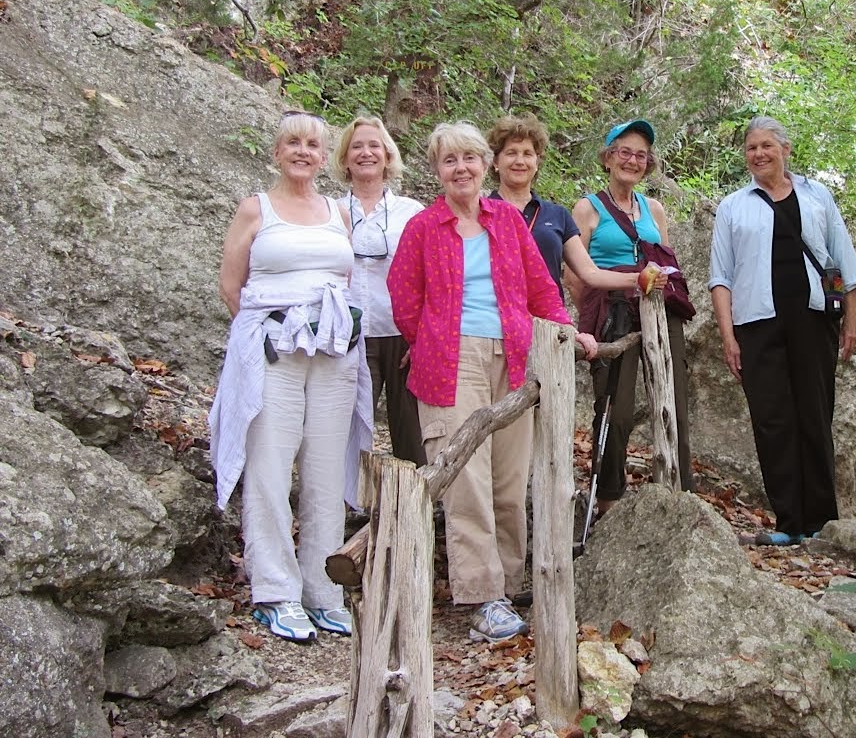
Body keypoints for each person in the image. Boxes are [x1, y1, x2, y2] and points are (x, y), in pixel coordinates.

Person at [387, 121, 599, 644]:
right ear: (436, 170)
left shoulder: (505, 219)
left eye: (469, 159)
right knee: (468, 480)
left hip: (516, 353)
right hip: (451, 359)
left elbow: (539, 287)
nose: (461, 169)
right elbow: (403, 295)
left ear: (485, 164)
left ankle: (508, 583)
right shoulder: (423, 226)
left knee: (508, 478)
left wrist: (567, 331)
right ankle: (482, 595)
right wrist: (435, 338)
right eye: (449, 161)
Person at [208, 110, 372, 642]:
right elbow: (232, 286)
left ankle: (322, 589)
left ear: (325, 157)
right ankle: (275, 591)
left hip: (333, 355)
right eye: (293, 143)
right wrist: (275, 328)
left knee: (325, 471)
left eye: (313, 145)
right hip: (274, 353)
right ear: (278, 152)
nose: (303, 151)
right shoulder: (256, 209)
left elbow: (343, 278)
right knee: (270, 467)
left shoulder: (336, 213)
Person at [708, 115, 856, 545]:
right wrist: (728, 336)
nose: (758, 154)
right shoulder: (733, 206)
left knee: (815, 414)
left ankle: (819, 520)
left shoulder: (817, 197)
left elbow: (841, 260)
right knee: (772, 420)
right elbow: (720, 277)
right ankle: (788, 522)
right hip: (757, 323)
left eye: (766, 146)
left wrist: (851, 318)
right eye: (751, 148)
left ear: (785, 149)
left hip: (814, 319)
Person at [571, 119, 694, 516]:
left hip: (659, 312)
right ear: (608, 157)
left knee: (672, 400)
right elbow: (574, 273)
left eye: (641, 154)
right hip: (614, 311)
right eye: (624, 152)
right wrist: (595, 311)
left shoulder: (654, 209)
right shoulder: (588, 208)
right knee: (616, 408)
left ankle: (680, 493)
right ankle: (607, 497)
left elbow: (666, 262)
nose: (632, 160)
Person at [333, 116, 426, 465]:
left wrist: (421, 338)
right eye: (357, 146)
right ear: (344, 158)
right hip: (351, 335)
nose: (366, 152)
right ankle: (347, 509)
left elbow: (430, 277)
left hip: (402, 335)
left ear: (388, 155)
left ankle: (414, 511)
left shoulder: (412, 212)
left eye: (374, 146)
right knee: (350, 427)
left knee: (412, 434)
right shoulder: (330, 211)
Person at [485, 112, 659, 297]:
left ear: (537, 162)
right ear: (495, 161)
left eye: (528, 154)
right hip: (494, 316)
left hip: (547, 319)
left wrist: (639, 279)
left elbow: (589, 273)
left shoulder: (556, 215)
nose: (520, 161)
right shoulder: (481, 212)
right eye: (511, 153)